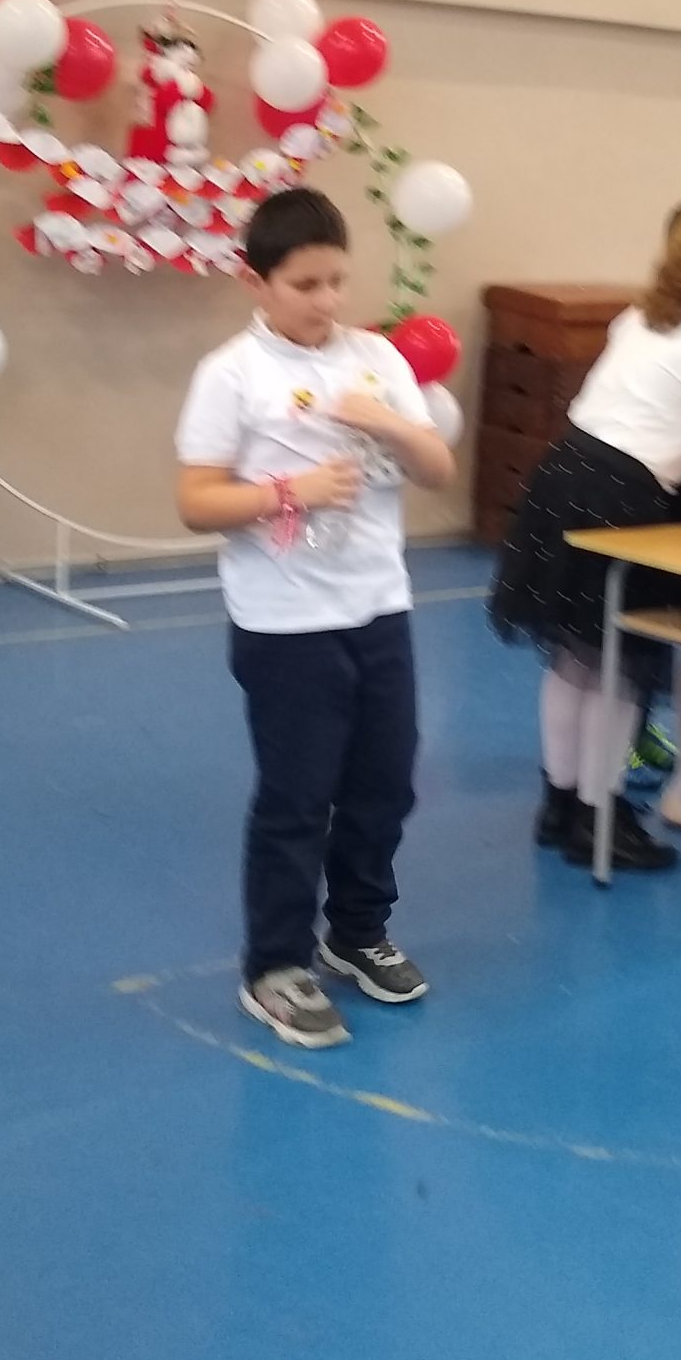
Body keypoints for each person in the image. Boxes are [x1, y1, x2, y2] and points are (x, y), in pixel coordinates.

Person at [174, 188, 457, 1050]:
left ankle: (357, 930)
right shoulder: (231, 374)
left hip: (377, 604)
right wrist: (286, 492)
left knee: (386, 782)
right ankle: (274, 967)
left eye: (338, 280)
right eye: (305, 285)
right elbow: (196, 501)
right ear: (256, 282)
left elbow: (438, 470)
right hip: (285, 620)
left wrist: (389, 422)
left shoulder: (376, 357)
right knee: (298, 796)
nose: (327, 300)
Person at [491, 201, 681, 863]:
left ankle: (561, 803)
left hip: (562, 473)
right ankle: (600, 817)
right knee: (620, 670)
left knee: (575, 659)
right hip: (619, 495)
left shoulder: (640, 317)